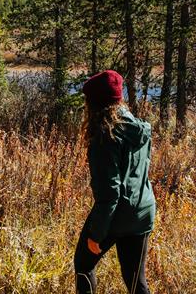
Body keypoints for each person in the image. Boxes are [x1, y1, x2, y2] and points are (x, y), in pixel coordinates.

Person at [75, 70, 156, 294]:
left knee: (83, 265)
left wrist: (96, 235)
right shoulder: (139, 129)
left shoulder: (104, 137)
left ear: (94, 104)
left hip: (117, 215)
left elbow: (110, 194)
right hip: (143, 211)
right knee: (136, 282)